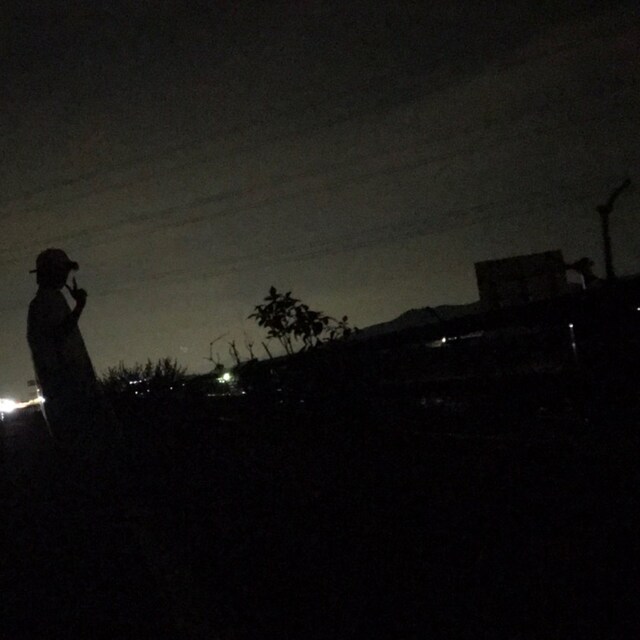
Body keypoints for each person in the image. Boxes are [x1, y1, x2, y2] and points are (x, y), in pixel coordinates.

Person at [27, 249, 115, 459]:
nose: (65, 275)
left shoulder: (50, 300)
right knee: (86, 449)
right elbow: (59, 335)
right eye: (61, 270)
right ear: (50, 273)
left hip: (68, 389)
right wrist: (79, 307)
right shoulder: (45, 302)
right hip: (68, 390)